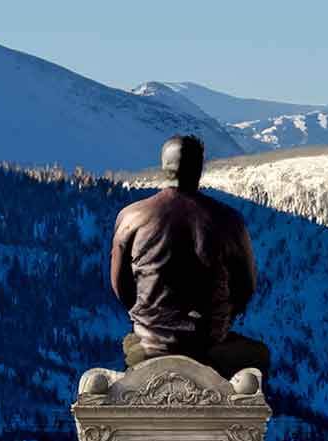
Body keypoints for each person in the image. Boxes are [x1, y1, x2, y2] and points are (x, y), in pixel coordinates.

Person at [110, 134, 270, 381]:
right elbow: (245, 288)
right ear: (199, 169)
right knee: (258, 355)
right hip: (210, 346)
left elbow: (122, 288)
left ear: (164, 167)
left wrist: (151, 320)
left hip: (151, 345)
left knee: (129, 343)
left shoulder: (131, 217)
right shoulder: (229, 221)